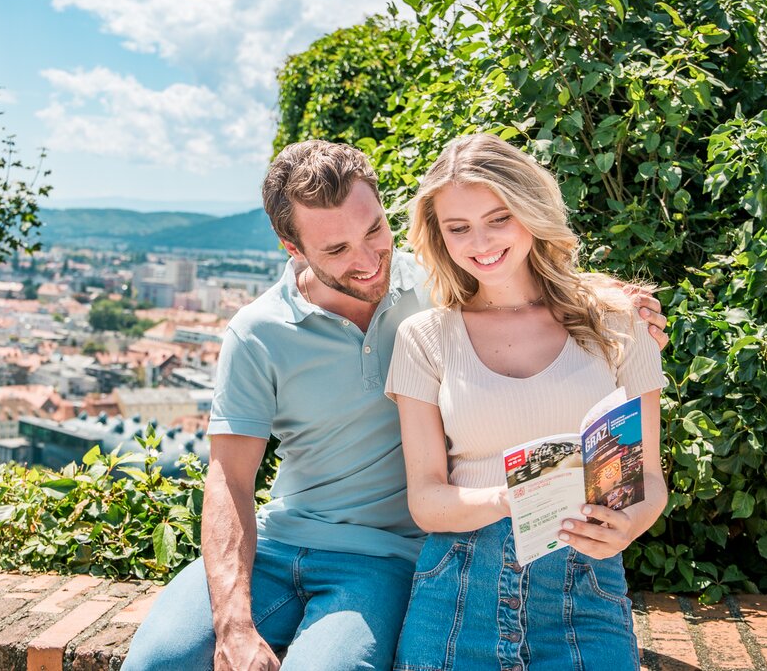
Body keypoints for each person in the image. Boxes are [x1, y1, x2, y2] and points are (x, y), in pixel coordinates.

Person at [122, 139, 668, 671]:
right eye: (336, 250)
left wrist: (619, 309)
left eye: (374, 231)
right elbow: (229, 480)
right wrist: (235, 625)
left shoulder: (435, 282)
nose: (367, 262)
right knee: (156, 662)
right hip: (279, 542)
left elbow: (515, 271)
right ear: (294, 250)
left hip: (382, 558)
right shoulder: (257, 332)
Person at [386, 134, 668, 670]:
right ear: (438, 236)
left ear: (530, 212)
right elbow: (425, 499)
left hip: (582, 587)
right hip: (459, 587)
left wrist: (626, 526)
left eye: (498, 218)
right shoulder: (424, 337)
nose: (481, 242)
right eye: (458, 227)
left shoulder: (617, 322)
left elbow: (648, 481)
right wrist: (519, 498)